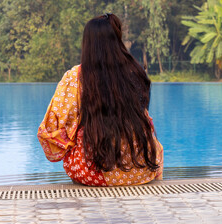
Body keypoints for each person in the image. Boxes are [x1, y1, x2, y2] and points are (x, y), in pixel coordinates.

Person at [37, 13, 163, 186]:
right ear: (117, 39)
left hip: (94, 171)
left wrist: (70, 138)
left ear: (88, 43)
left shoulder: (76, 77)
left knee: (80, 134)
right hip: (140, 169)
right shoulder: (136, 72)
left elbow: (53, 127)